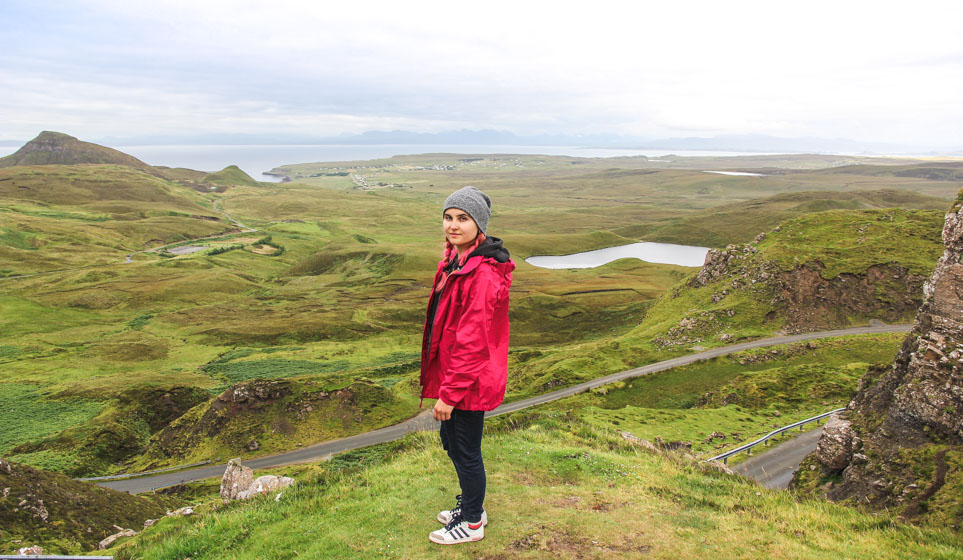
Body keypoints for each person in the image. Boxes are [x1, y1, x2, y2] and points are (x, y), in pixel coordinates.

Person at [419, 186, 514, 545]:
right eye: (448, 217)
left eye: (463, 219)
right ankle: (472, 505)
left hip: (469, 381)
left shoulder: (483, 274)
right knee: (453, 443)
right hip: (457, 377)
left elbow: (472, 342)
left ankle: (472, 522)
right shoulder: (455, 262)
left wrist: (450, 394)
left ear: (480, 225)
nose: (453, 225)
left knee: (465, 449)